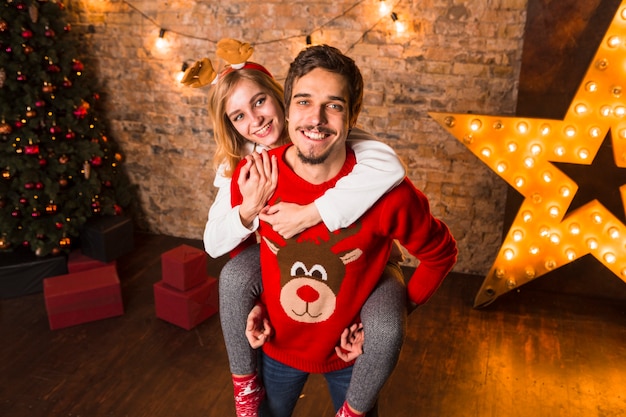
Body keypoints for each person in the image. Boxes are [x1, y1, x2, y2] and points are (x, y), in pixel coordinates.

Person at [232, 44, 458, 417]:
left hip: (350, 354)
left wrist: (399, 313)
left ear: (351, 116)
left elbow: (440, 253)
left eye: (333, 105)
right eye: (303, 102)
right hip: (277, 345)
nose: (316, 119)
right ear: (286, 110)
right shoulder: (258, 177)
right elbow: (240, 246)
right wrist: (256, 299)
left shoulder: (389, 195)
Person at [193, 39, 408, 417]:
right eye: (238, 116)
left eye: (259, 102)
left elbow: (390, 166)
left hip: (347, 256)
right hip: (283, 259)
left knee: (386, 322)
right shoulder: (243, 166)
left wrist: (312, 212)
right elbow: (213, 242)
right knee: (234, 278)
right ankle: (245, 389)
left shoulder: (318, 132)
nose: (255, 120)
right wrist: (249, 207)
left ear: (284, 97)